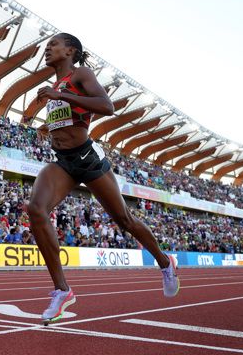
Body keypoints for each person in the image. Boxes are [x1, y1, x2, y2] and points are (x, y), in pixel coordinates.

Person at [28, 33, 179, 324]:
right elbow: (70, 117)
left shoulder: (79, 74)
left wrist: (61, 96)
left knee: (125, 220)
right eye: (46, 47)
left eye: (53, 46)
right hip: (63, 162)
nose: (47, 50)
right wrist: (47, 126)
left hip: (88, 158)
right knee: (36, 209)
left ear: (70, 51)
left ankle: (164, 262)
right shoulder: (52, 87)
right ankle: (62, 291)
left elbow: (107, 106)